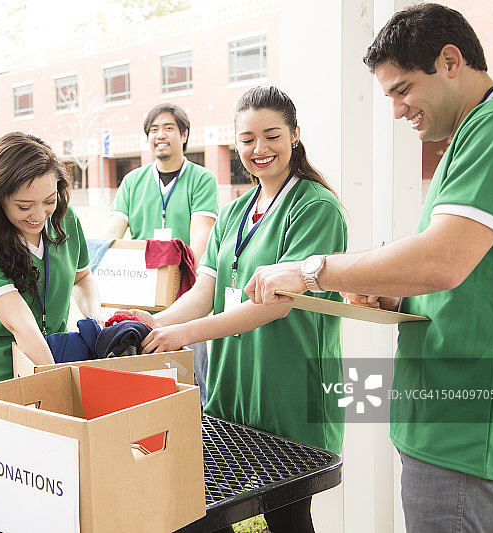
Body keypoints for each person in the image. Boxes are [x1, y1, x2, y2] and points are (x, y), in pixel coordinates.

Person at [244, 4, 493, 532]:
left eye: (402, 90)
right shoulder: (468, 137)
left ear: (450, 61)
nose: (397, 111)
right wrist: (401, 297)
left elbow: (442, 260)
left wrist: (313, 271)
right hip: (442, 414)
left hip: (467, 431)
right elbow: (474, 272)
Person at [132, 86, 347, 533]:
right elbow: (205, 291)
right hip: (231, 389)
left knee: (287, 518)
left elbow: (276, 307)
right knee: (208, 510)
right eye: (247, 139)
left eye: (272, 135)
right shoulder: (234, 212)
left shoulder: (316, 209)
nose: (259, 149)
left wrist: (184, 336)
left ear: (295, 135)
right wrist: (156, 322)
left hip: (290, 392)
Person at [0, 132, 102, 446]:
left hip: (52, 365)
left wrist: (96, 321)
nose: (39, 215)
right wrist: (59, 391)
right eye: (24, 206)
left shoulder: (62, 219)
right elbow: (21, 323)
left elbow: (83, 278)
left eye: (49, 200)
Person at [103, 103, 219, 406]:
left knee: (191, 382)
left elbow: (201, 240)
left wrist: (175, 270)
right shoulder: (133, 181)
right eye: (153, 130)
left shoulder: (201, 179)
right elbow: (112, 233)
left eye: (168, 128)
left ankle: (200, 438)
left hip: (185, 299)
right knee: (144, 383)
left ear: (184, 134)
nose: (160, 135)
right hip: (140, 297)